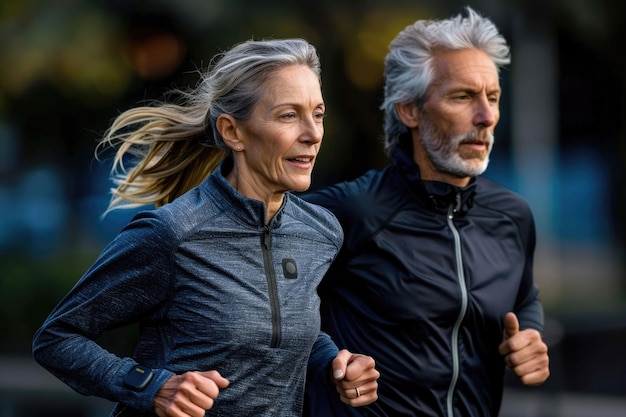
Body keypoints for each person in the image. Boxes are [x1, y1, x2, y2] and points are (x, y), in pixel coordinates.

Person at [32, 38, 379, 417]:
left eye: (318, 113)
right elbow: (57, 339)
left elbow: (279, 332)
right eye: (288, 115)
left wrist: (335, 364)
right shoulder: (172, 233)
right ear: (233, 132)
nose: (313, 133)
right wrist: (152, 386)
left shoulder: (320, 231)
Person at [302, 7, 550, 417]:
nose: (486, 117)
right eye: (463, 97)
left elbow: (524, 296)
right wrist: (327, 358)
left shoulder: (513, 217)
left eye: (492, 97)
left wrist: (529, 334)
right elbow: (265, 290)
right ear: (409, 110)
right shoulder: (352, 210)